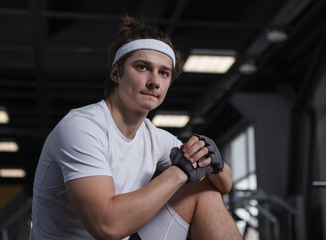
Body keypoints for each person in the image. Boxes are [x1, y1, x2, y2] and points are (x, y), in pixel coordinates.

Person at [30, 15, 242, 240]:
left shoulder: (154, 137)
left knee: (204, 190)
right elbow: (106, 226)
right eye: (142, 67)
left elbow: (224, 185)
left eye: (164, 72)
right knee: (189, 181)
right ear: (116, 73)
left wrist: (216, 162)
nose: (154, 82)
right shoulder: (81, 128)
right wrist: (179, 173)